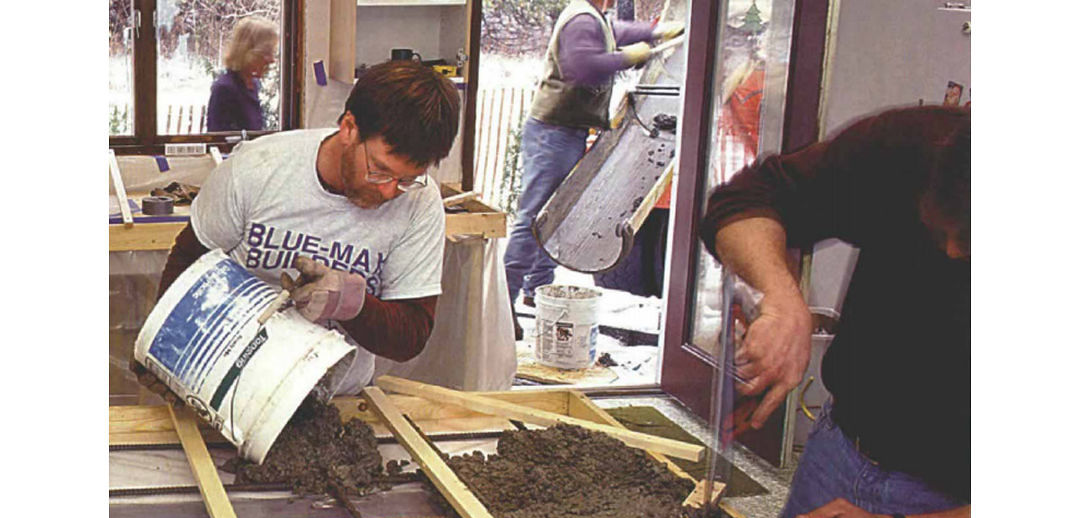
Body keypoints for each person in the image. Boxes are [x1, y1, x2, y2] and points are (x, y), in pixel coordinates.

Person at [700, 106, 970, 518]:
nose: (950, 252)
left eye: (972, 243)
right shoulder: (911, 147)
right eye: (938, 226)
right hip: (842, 459)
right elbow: (740, 205)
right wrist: (782, 297)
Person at [153, 60, 461, 396]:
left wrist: (352, 304)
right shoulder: (257, 169)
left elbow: (411, 336)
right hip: (230, 386)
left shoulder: (420, 202)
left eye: (406, 180)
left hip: (335, 399)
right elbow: (188, 262)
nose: (389, 191)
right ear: (349, 128)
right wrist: (165, 349)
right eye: (380, 171)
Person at [504, 0, 683, 339]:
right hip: (553, 133)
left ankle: (537, 292)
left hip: (563, 131)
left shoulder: (592, 17)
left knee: (555, 218)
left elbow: (614, 32)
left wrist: (654, 32)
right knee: (534, 220)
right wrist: (634, 55)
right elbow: (583, 67)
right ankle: (501, 306)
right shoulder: (582, 18)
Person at [206, 16, 278, 132]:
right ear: (248, 53)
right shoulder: (225, 89)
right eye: (266, 53)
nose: (271, 60)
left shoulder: (252, 85)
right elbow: (221, 142)